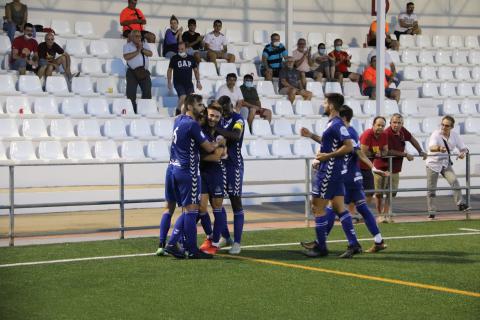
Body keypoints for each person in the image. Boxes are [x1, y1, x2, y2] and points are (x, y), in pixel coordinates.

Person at [301, 105, 388, 253]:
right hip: (348, 176)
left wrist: (372, 167)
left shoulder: (349, 132)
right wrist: (311, 135)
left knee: (332, 209)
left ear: (343, 117)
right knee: (349, 208)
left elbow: (358, 152)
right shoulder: (344, 131)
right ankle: (375, 241)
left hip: (348, 177)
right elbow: (327, 142)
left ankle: (323, 243)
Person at [300, 93, 362, 259]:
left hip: (328, 172)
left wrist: (327, 157)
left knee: (317, 208)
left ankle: (321, 247)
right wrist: (311, 135)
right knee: (339, 208)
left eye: (325, 102)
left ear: (332, 106)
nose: (323, 104)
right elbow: (331, 143)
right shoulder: (334, 124)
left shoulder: (336, 124)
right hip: (336, 173)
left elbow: (348, 146)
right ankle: (353, 243)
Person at [163, 94, 223, 259]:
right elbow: (210, 147)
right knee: (191, 210)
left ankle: (171, 244)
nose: (202, 107)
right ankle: (191, 249)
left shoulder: (179, 120)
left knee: (183, 209)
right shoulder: (192, 125)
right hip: (188, 171)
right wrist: (219, 143)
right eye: (199, 104)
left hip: (174, 169)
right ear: (189, 107)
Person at [215, 96, 245, 254]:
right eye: (221, 109)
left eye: (225, 108)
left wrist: (215, 128)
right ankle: (225, 237)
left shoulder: (238, 119)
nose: (223, 111)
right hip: (219, 165)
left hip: (234, 166)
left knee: (235, 202)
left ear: (230, 105)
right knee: (217, 202)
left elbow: (235, 136)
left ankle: (238, 242)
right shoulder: (219, 120)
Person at [197, 102, 229, 255]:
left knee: (217, 207)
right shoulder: (200, 129)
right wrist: (212, 150)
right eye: (211, 115)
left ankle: (215, 242)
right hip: (201, 173)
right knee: (201, 207)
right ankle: (210, 236)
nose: (213, 118)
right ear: (206, 114)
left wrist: (200, 156)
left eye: (216, 116)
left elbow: (217, 157)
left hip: (216, 173)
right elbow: (214, 153)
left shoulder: (221, 133)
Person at [383, 113, 426, 221]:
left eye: (399, 123)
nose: (396, 125)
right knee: (380, 192)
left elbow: (412, 139)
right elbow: (388, 151)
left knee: (392, 192)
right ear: (390, 123)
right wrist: (405, 154)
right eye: (394, 122)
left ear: (402, 124)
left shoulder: (403, 131)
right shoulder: (387, 133)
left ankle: (386, 213)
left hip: (395, 168)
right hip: (384, 167)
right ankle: (383, 214)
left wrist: (420, 151)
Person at [425, 116, 470, 219]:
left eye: (447, 125)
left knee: (454, 181)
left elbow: (464, 148)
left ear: (452, 127)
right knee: (431, 189)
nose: (444, 127)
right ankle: (431, 211)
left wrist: (462, 153)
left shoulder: (455, 135)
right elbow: (431, 148)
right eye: (443, 124)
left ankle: (460, 204)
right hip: (433, 163)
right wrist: (440, 148)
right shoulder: (436, 134)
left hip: (445, 163)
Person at [360, 116, 389, 220]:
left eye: (382, 126)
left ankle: (361, 213)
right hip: (356, 166)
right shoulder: (367, 134)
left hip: (367, 167)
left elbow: (386, 150)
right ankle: (351, 214)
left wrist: (381, 153)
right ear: (373, 125)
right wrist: (374, 153)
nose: (380, 127)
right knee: (354, 192)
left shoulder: (384, 135)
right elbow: (362, 152)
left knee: (370, 191)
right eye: (378, 125)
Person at [167, 42, 202, 115]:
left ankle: (187, 114)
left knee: (191, 99)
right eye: (179, 49)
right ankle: (178, 112)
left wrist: (198, 82)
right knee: (183, 97)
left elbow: (196, 71)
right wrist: (169, 81)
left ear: (186, 49)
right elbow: (169, 70)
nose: (180, 51)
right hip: (178, 82)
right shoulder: (174, 58)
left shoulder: (191, 58)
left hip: (188, 83)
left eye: (182, 49)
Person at [123, 30, 152, 113]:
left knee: (147, 91)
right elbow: (126, 56)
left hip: (144, 71)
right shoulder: (127, 46)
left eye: (139, 36)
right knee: (131, 93)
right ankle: (133, 111)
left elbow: (150, 54)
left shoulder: (144, 44)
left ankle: (144, 110)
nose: (139, 38)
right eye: (136, 36)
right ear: (131, 37)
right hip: (132, 72)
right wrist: (137, 51)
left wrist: (141, 49)